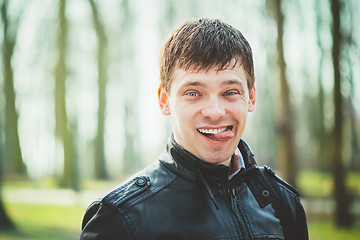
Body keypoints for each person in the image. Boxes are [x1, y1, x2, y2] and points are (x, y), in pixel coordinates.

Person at [80, 18, 308, 240]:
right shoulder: (121, 218)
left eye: (230, 92)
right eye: (193, 93)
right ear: (164, 100)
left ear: (251, 97)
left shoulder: (284, 203)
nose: (215, 112)